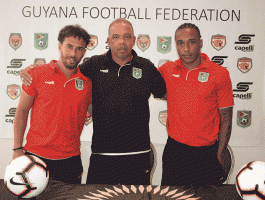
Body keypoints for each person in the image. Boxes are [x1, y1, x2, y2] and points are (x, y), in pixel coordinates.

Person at [20, 18, 167, 185]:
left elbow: (167, 94)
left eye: (127, 37)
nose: (122, 42)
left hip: (138, 156)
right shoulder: (94, 65)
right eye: (116, 37)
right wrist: (32, 70)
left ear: (134, 40)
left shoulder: (146, 67)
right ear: (108, 41)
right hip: (101, 157)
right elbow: (66, 72)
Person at [13, 25, 92, 184]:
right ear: (59, 46)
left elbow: (91, 109)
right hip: (35, 157)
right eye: (69, 46)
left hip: (70, 160)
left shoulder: (87, 83)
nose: (73, 53)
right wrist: (17, 149)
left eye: (79, 49)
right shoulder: (37, 73)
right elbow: (21, 111)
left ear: (84, 52)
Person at [158, 23, 234, 189]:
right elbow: (147, 83)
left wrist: (220, 154)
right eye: (180, 43)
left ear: (200, 43)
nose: (186, 48)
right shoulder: (167, 70)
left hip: (206, 154)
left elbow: (226, 119)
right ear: (175, 45)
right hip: (175, 152)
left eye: (191, 42)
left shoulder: (220, 74)